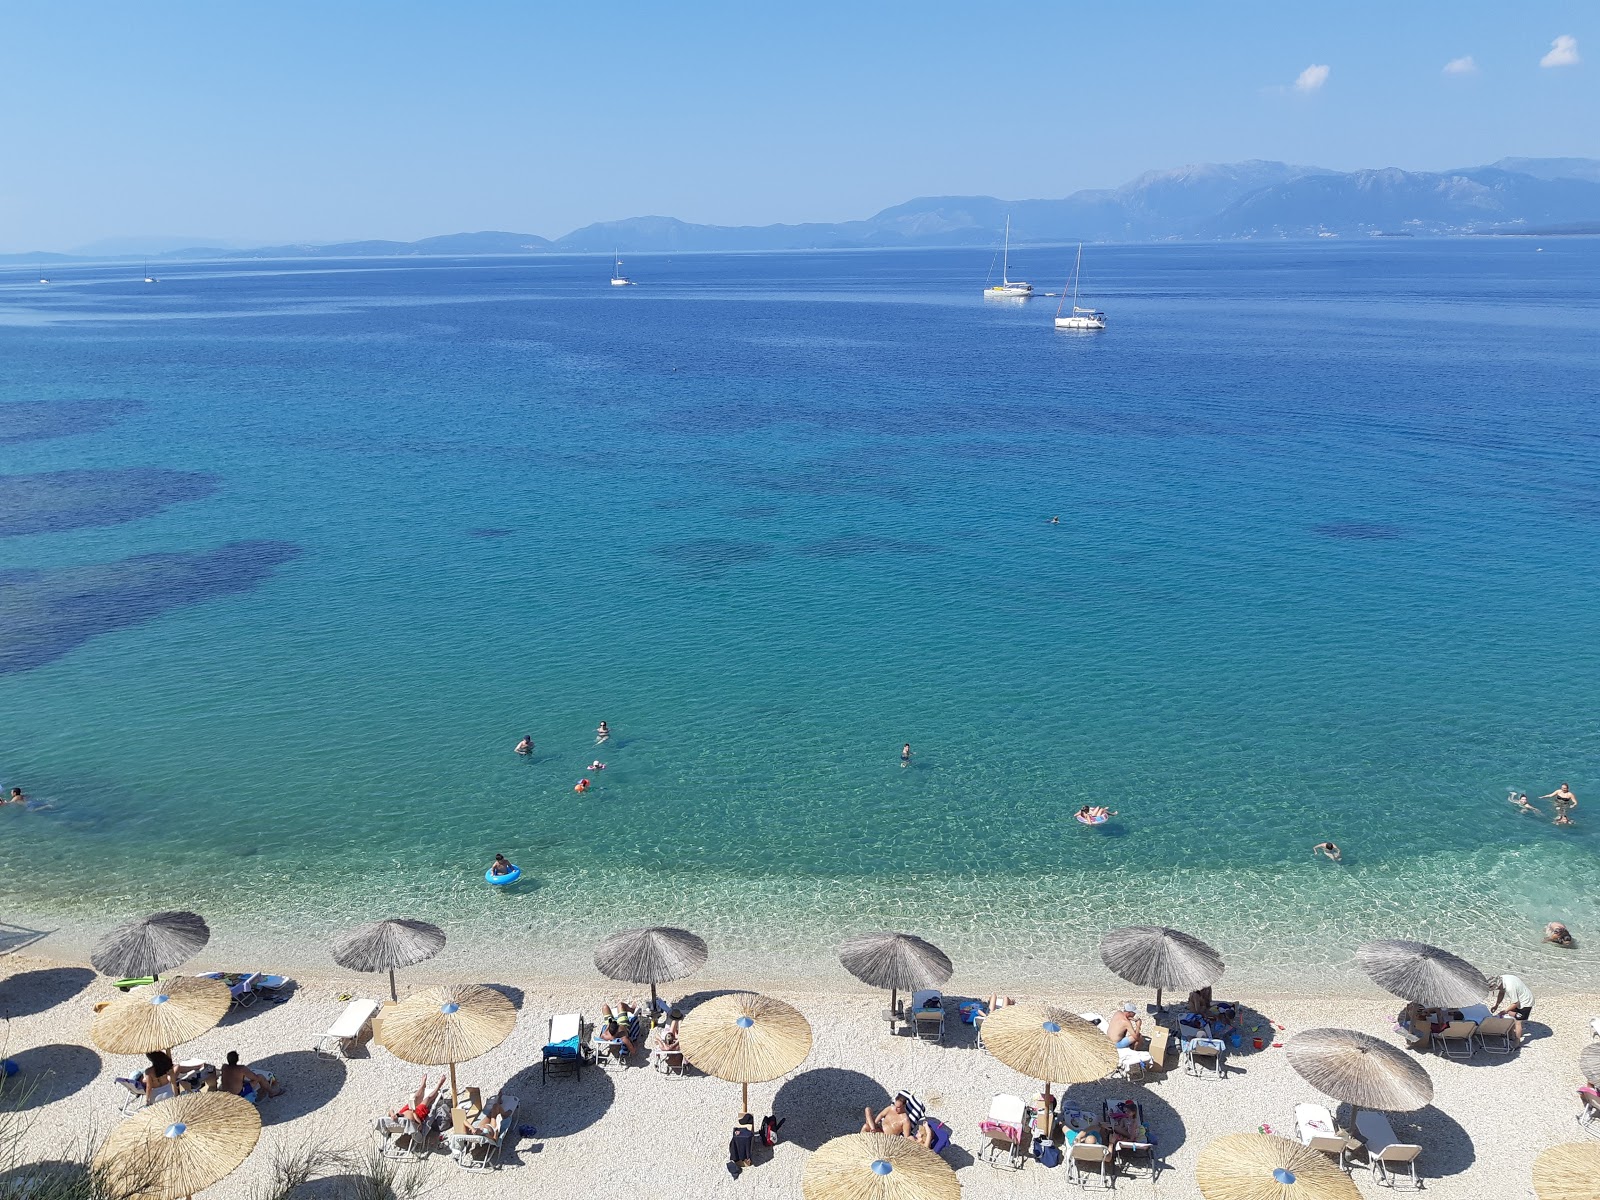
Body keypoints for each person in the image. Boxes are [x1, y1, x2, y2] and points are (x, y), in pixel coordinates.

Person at [212, 1050, 282, 1101]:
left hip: (226, 1092)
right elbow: (254, 1077)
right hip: (238, 1093)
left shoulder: (224, 1067)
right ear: (237, 1059)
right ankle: (271, 1092)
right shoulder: (241, 1069)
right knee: (260, 1077)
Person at [1491, 973, 1535, 1044]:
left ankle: (1517, 1041)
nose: (1497, 989)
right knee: (1512, 1016)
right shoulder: (1501, 979)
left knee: (1518, 1021)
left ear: (1499, 985)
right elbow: (1501, 993)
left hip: (1526, 1002)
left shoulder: (1509, 987)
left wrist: (1505, 1011)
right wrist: (1496, 1005)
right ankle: (1511, 1035)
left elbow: (1515, 1003)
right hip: (1519, 998)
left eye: (1496, 988)